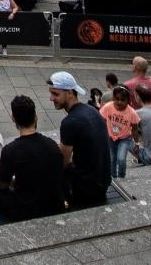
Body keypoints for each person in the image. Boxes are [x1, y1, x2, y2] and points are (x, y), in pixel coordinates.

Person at [0, 94, 65, 223]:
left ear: (13, 118)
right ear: (36, 117)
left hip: (26, 210)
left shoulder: (10, 150)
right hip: (53, 205)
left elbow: (2, 185)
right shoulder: (52, 145)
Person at [46, 71, 111, 208]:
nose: (51, 98)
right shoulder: (92, 110)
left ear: (70, 93)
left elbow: (64, 162)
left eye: (55, 94)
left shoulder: (70, 122)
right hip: (103, 182)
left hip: (85, 189)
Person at [99, 85, 140, 179]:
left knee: (121, 159)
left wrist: (137, 143)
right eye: (117, 99)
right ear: (113, 98)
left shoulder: (132, 113)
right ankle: (113, 177)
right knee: (112, 159)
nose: (119, 102)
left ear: (128, 101)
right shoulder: (108, 107)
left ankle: (121, 176)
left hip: (124, 139)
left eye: (122, 100)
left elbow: (134, 129)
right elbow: (101, 120)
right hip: (110, 138)